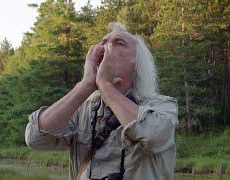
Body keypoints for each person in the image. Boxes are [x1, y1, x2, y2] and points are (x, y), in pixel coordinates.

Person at [25, 22, 178, 180]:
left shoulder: (161, 106)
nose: (106, 48)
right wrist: (85, 85)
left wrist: (105, 85)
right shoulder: (83, 110)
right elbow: (35, 137)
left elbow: (154, 136)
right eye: (103, 42)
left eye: (119, 43)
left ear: (137, 64)